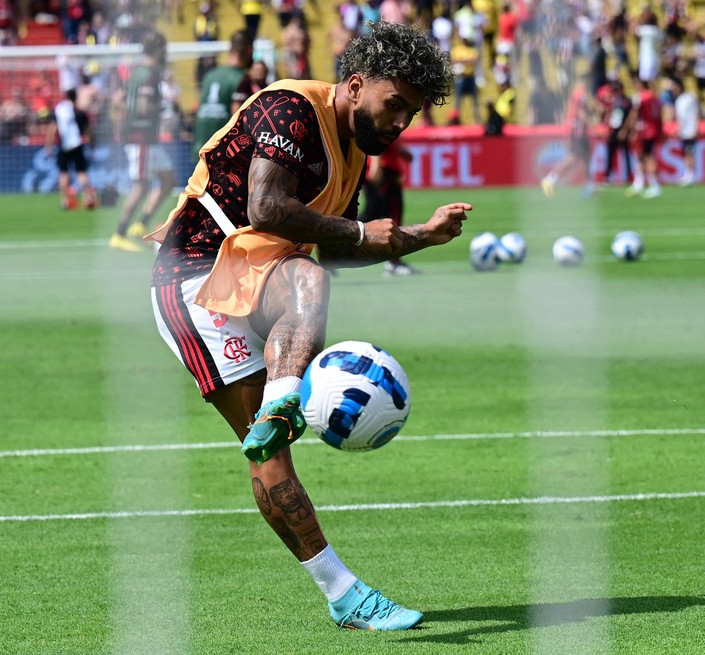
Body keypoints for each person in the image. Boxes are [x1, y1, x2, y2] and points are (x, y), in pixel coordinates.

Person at [145, 21, 468, 631]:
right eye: (393, 104)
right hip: (194, 282)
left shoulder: (350, 150)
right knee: (274, 460)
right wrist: (356, 230)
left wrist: (420, 236)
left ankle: (280, 407)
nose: (400, 123)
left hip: (257, 271)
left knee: (312, 279)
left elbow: (338, 247)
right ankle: (343, 592)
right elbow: (268, 207)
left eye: (411, 113)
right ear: (354, 85)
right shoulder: (291, 108)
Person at [109, 29, 177, 252]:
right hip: (142, 139)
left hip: (147, 139)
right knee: (141, 186)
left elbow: (117, 100)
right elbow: (143, 107)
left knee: (167, 179)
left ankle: (141, 224)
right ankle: (119, 234)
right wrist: (165, 110)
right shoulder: (148, 74)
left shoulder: (137, 73)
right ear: (157, 49)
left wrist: (128, 114)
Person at [192, 30, 254, 162]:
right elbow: (238, 114)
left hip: (201, 144)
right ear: (249, 51)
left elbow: (198, 106)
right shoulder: (241, 78)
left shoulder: (210, 75)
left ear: (230, 49)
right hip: (223, 151)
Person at [359, 140, 419, 276]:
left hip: (381, 172)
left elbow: (390, 144)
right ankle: (393, 262)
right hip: (385, 173)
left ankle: (336, 246)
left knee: (372, 214)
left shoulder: (389, 126)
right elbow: (377, 141)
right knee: (393, 216)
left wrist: (403, 152)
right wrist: (376, 164)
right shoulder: (386, 124)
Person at [540, 77, 595, 197]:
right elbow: (581, 113)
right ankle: (550, 179)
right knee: (574, 157)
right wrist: (591, 122)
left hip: (577, 130)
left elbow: (572, 111)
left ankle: (590, 186)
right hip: (579, 131)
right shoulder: (581, 95)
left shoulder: (576, 95)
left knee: (585, 158)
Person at [45, 87, 97, 210]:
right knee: (81, 172)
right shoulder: (80, 112)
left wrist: (48, 145)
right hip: (77, 144)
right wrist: (91, 145)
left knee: (63, 173)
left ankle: (66, 201)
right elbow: (89, 132)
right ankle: (88, 198)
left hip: (63, 145)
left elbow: (52, 129)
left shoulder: (59, 110)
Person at [623, 76, 664, 198]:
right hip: (652, 130)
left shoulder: (640, 97)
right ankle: (638, 184)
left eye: (636, 84)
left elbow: (634, 113)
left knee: (647, 157)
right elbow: (659, 116)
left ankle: (655, 185)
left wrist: (627, 129)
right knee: (640, 156)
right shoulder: (654, 97)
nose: (635, 86)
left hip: (644, 130)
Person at [672, 76, 700, 186]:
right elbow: (680, 118)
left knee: (690, 152)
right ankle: (688, 173)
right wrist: (679, 129)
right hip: (684, 131)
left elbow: (695, 113)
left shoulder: (689, 98)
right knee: (685, 152)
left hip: (690, 130)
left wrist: (695, 128)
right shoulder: (678, 100)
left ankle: (691, 174)